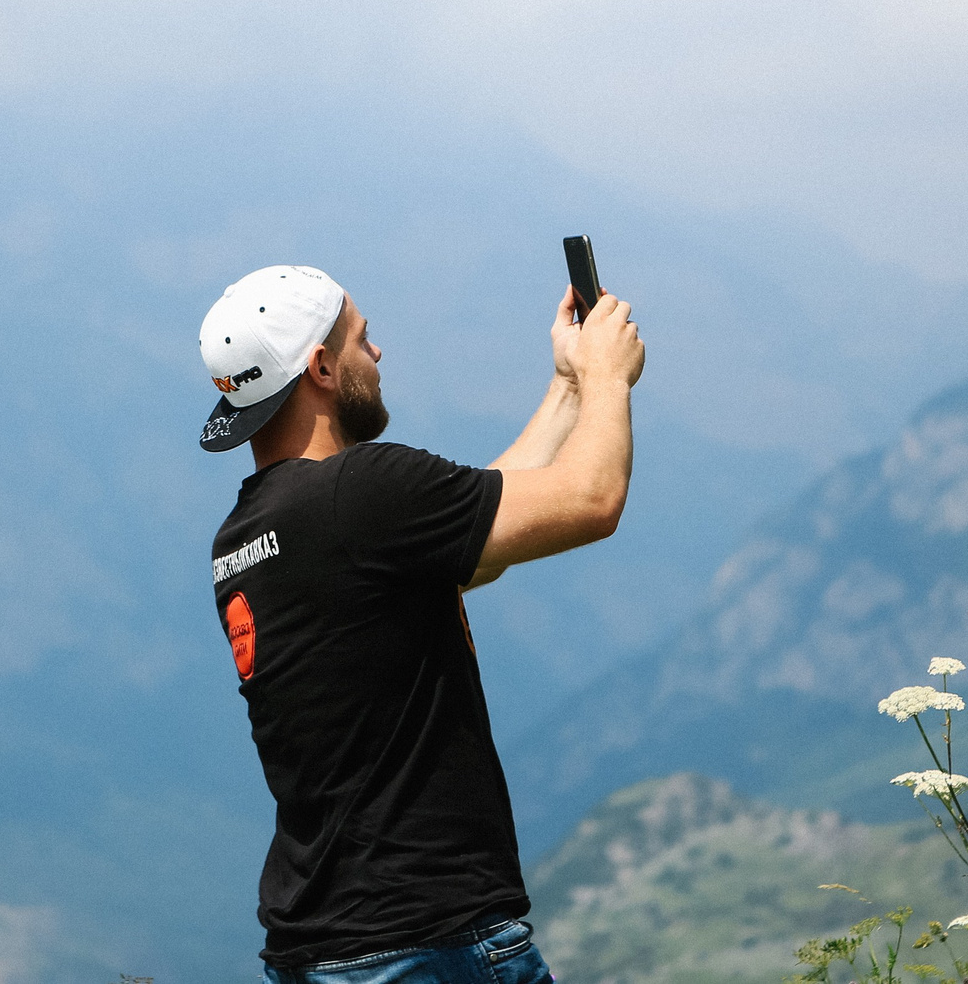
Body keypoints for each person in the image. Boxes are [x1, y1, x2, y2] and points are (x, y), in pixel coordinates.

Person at [198, 263, 644, 984]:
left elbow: (468, 548)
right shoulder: (364, 489)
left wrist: (566, 384)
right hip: (430, 942)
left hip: (325, 949)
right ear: (320, 366)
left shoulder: (248, 535)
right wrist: (608, 376)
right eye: (361, 339)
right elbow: (592, 498)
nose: (378, 355)